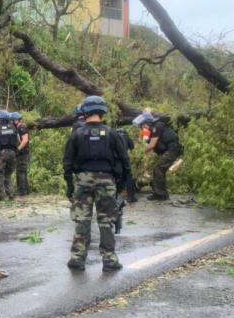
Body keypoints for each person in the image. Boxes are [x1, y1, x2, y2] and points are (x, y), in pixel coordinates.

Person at [63, 95, 131, 271]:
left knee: (82, 220)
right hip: (107, 181)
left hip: (82, 180)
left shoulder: (77, 133)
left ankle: (77, 259)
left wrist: (70, 185)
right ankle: (109, 260)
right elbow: (125, 161)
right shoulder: (112, 133)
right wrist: (122, 185)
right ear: (103, 112)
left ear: (85, 111)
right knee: (106, 221)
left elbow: (67, 162)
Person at [133, 111, 183, 201]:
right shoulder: (151, 129)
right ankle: (163, 194)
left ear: (147, 122)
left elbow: (152, 145)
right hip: (169, 150)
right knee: (160, 169)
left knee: (158, 168)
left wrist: (140, 153)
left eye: (142, 125)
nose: (141, 127)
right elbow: (147, 142)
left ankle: (160, 194)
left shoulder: (157, 126)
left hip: (173, 149)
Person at [0, 110, 18, 201]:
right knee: (8, 174)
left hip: (1, 153)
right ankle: (11, 194)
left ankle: (1, 196)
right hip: (12, 153)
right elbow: (18, 141)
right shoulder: (13, 127)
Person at [11, 111, 31, 196]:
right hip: (20, 153)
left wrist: (18, 149)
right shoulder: (17, 128)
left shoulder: (22, 127)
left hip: (23, 153)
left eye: (13, 120)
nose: (12, 122)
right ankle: (26, 190)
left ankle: (22, 191)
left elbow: (25, 140)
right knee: (22, 171)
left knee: (21, 172)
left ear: (17, 120)